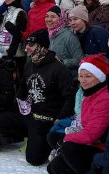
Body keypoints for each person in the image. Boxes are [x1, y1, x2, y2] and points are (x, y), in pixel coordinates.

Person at [47, 54, 109, 174]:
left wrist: (68, 137)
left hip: (100, 147)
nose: (83, 80)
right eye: (81, 76)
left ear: (100, 77)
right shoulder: (89, 93)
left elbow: (92, 134)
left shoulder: (105, 98)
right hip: (88, 141)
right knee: (53, 168)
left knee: (67, 147)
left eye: (88, 76)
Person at [12, 30, 73, 165]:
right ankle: (31, 135)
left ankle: (48, 141)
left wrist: (59, 119)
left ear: (43, 47)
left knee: (34, 159)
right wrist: (17, 104)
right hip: (30, 113)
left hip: (47, 117)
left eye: (32, 44)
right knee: (1, 122)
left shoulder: (59, 69)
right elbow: (22, 90)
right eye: (27, 43)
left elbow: (69, 97)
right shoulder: (29, 65)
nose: (27, 47)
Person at [45, 5, 82, 71]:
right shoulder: (51, 34)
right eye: (47, 16)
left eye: (53, 17)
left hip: (69, 77)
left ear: (60, 19)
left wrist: (61, 62)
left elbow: (79, 60)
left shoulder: (69, 36)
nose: (48, 19)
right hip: (56, 75)